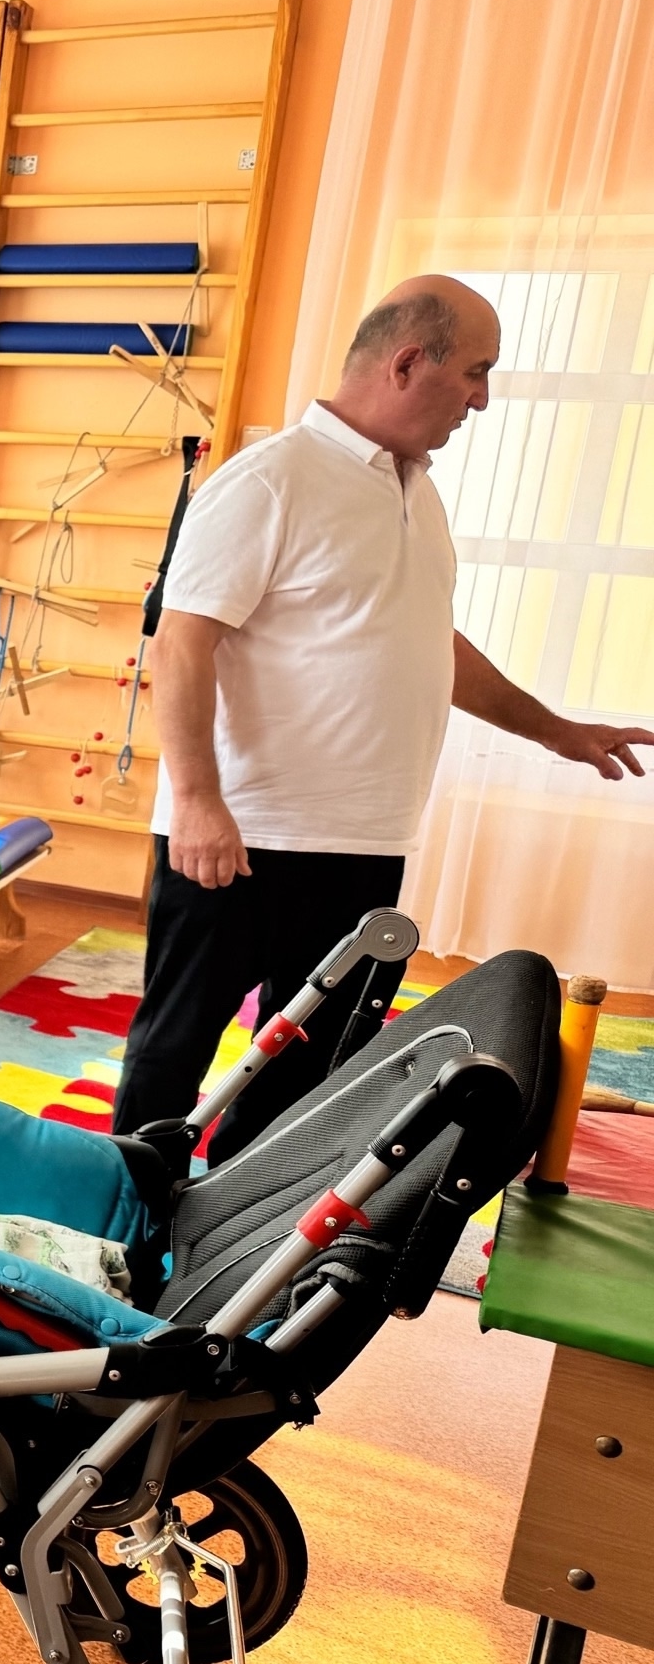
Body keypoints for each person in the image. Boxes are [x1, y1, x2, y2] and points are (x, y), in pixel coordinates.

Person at [113, 275, 654, 1161]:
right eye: (476, 372)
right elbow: (181, 643)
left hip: (364, 841)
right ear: (407, 364)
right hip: (243, 835)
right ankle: (125, 1214)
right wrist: (200, 799)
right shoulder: (269, 481)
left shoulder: (417, 491)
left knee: (312, 1066)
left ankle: (236, 1216)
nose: (482, 400)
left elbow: (428, 644)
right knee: (177, 1049)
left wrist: (558, 731)